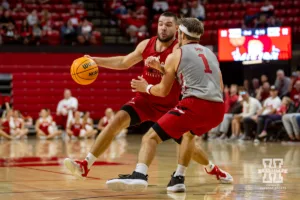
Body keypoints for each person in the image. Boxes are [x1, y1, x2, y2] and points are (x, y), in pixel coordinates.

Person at [63, 12, 232, 190]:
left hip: (169, 105)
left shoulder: (178, 49)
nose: (163, 27)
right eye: (160, 24)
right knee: (117, 120)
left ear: (177, 29)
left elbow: (179, 79)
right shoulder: (147, 44)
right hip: (145, 100)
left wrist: (159, 70)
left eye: (168, 24)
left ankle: (212, 168)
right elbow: (123, 62)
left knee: (189, 145)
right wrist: (95, 61)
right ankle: (85, 164)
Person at [106, 17, 226, 192]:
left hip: (194, 105)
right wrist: (163, 69)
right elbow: (220, 86)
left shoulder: (176, 54)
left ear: (180, 33)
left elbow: (162, 91)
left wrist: (145, 87)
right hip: (218, 110)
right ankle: (178, 178)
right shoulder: (210, 54)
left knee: (150, 137)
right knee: (189, 136)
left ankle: (140, 175)